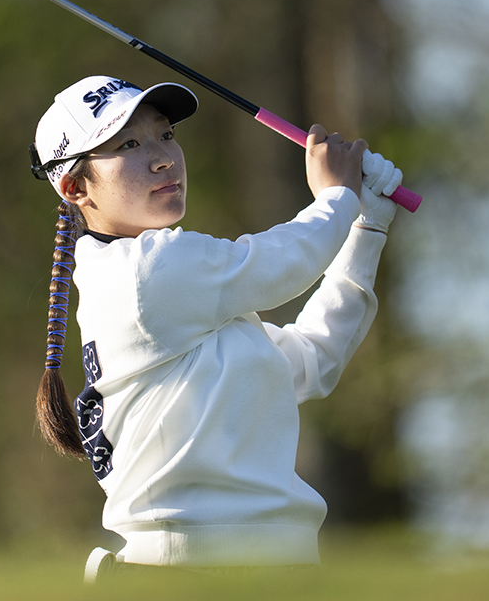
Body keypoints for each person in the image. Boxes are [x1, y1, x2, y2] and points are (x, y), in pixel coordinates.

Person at [28, 75, 402, 580]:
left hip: (261, 570)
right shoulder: (145, 273)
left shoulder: (171, 301)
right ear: (75, 188)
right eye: (129, 145)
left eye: (166, 135)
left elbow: (313, 361)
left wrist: (366, 228)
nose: (163, 157)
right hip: (198, 573)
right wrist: (336, 197)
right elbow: (282, 263)